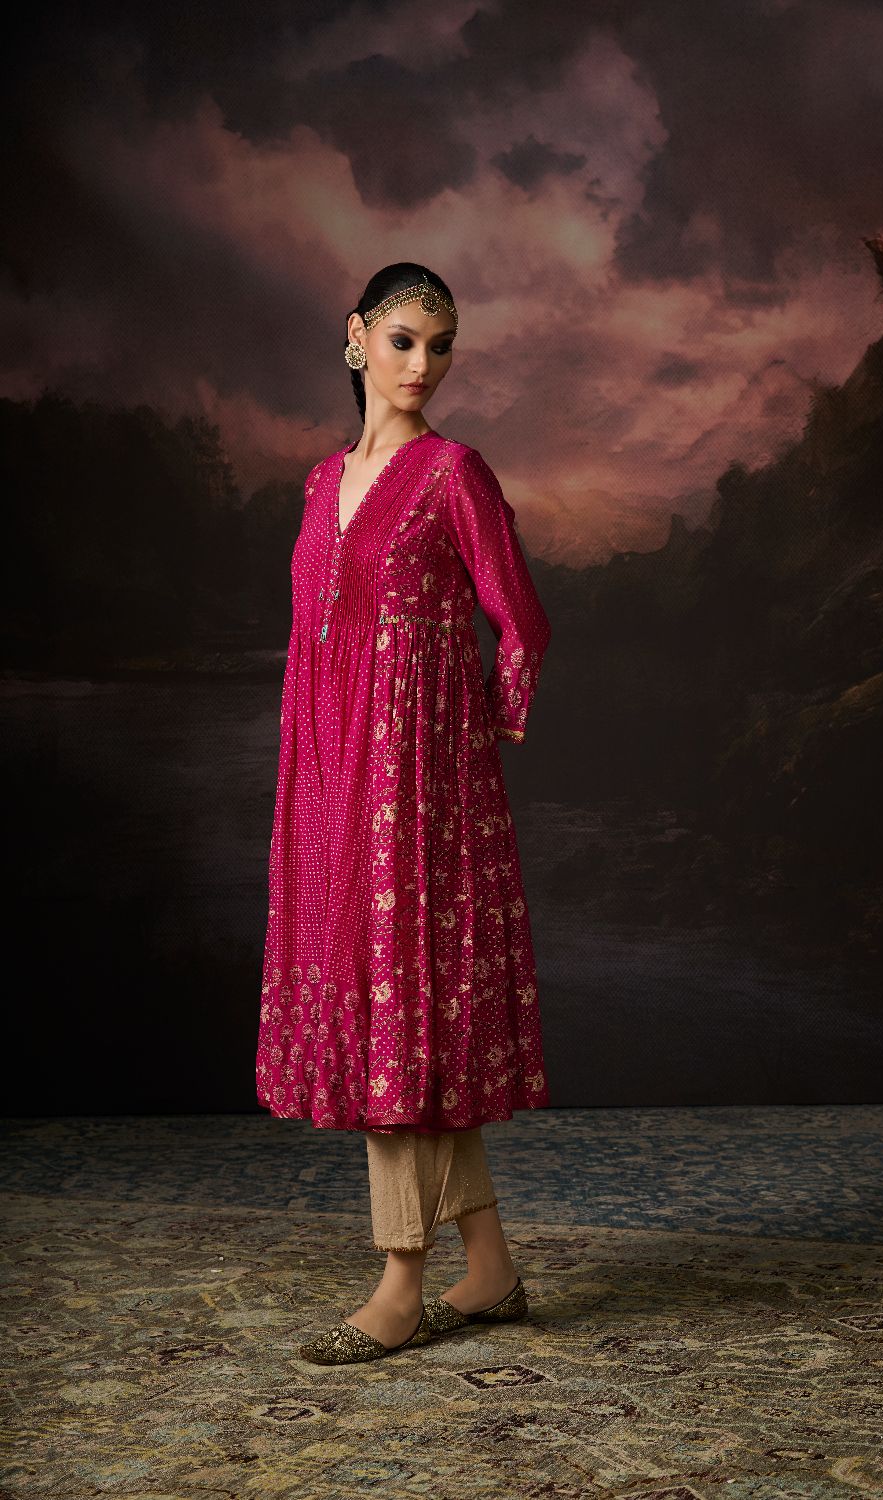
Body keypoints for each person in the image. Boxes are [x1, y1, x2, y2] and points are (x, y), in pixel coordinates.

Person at [254, 263, 554, 1365]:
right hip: (329, 772)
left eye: (441, 345)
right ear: (356, 340)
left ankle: (399, 1281)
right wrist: (315, 763)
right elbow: (314, 638)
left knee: (402, 1011)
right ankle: (492, 1268)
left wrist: (489, 719)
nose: (424, 364)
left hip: (419, 783)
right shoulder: (318, 482)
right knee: (395, 1019)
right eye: (403, 341)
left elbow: (520, 617)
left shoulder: (452, 473)